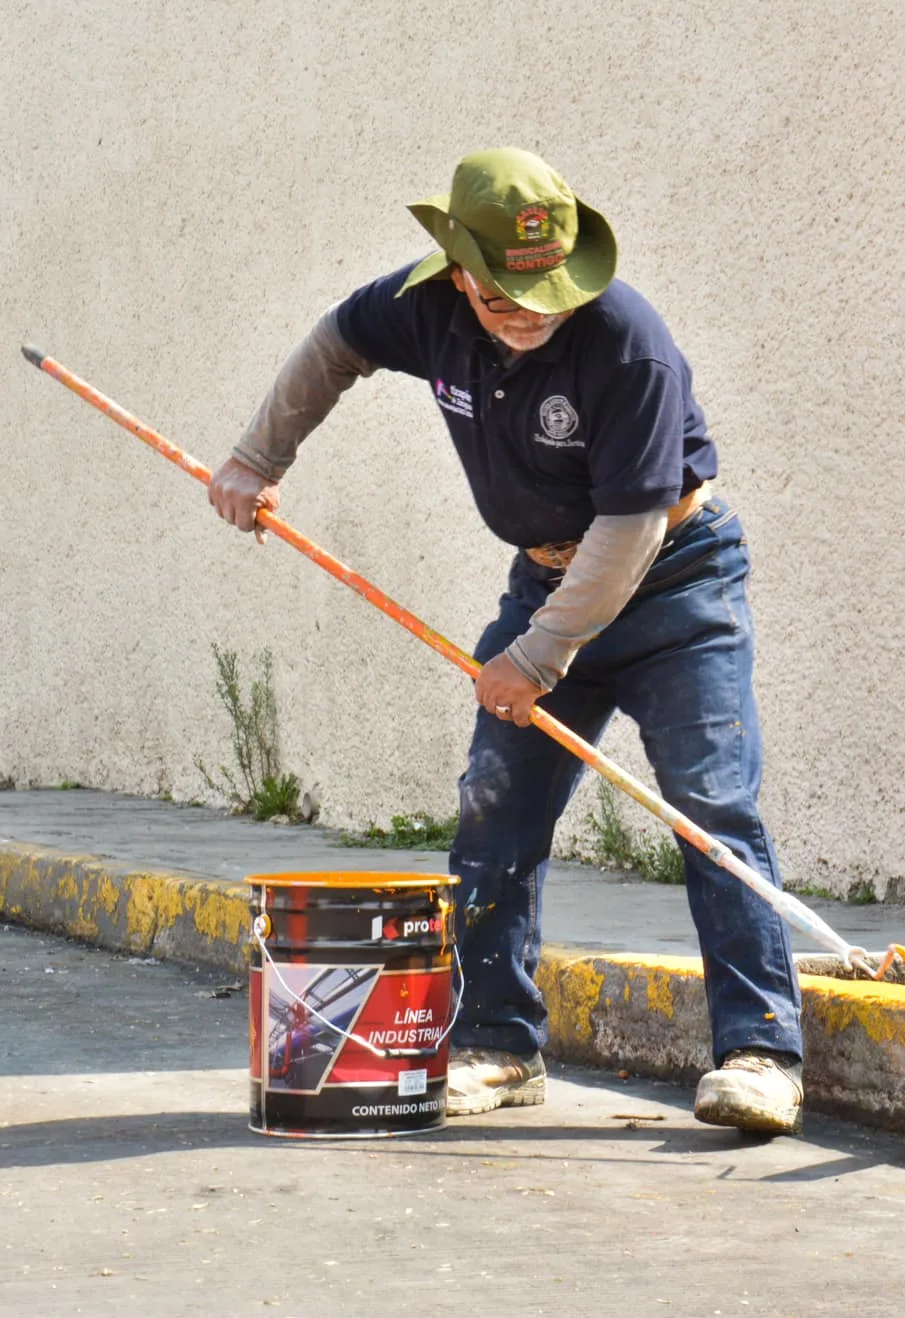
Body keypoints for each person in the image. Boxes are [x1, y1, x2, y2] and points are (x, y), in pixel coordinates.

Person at [207, 148, 805, 1134]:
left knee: (710, 806)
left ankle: (760, 1051)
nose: (530, 312)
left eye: (549, 292)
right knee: (494, 812)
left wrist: (532, 660)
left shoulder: (627, 346)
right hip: (545, 576)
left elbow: (629, 533)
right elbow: (331, 348)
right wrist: (253, 458)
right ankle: (498, 1043)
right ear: (459, 275)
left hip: (674, 579)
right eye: (504, 296)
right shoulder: (415, 307)